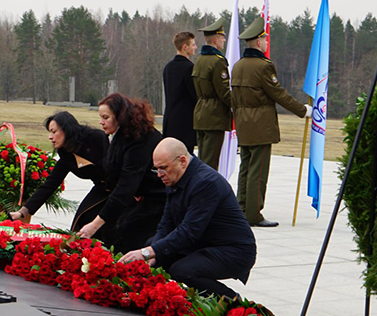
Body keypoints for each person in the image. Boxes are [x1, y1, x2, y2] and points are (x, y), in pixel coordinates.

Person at [120, 137, 256, 299]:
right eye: (156, 169)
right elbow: (166, 223)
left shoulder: (206, 182)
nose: (159, 175)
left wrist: (148, 252)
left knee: (182, 270)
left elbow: (189, 231)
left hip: (233, 250)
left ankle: (231, 301)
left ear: (182, 161)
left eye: (163, 168)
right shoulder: (175, 177)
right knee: (155, 250)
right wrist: (153, 252)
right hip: (204, 243)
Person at [231, 16, 310, 228]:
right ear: (258, 42)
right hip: (260, 125)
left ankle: (241, 209)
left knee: (246, 168)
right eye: (265, 39)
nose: (266, 42)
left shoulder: (238, 66)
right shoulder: (263, 66)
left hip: (244, 123)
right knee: (259, 171)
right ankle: (254, 214)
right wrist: (303, 110)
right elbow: (278, 94)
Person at [77, 93, 166, 253]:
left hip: (159, 198)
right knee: (107, 227)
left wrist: (95, 225)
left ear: (120, 117)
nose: (101, 122)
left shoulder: (140, 139)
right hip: (139, 194)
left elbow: (126, 186)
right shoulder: (121, 135)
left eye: (105, 117)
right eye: (100, 117)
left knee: (124, 233)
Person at [10, 111, 109, 231]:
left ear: (67, 130)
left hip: (126, 187)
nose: (50, 137)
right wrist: (22, 212)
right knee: (82, 222)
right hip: (102, 189)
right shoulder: (66, 155)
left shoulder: (96, 138)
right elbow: (49, 185)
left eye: (54, 132)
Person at [192, 18, 232, 169]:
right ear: (215, 40)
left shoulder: (200, 60)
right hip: (214, 116)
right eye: (222, 37)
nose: (224, 40)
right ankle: (205, 192)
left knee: (203, 160)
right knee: (210, 164)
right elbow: (223, 93)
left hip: (201, 113)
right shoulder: (217, 62)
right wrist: (240, 105)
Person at [162, 31, 198, 151]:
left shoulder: (168, 67)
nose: (195, 47)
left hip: (170, 120)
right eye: (193, 45)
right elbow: (195, 95)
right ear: (185, 47)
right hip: (185, 123)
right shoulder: (189, 68)